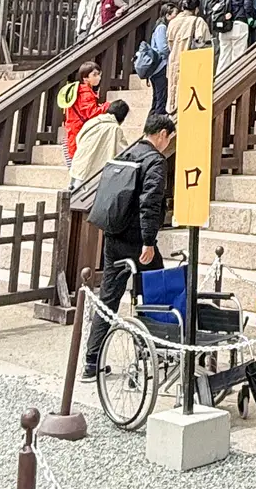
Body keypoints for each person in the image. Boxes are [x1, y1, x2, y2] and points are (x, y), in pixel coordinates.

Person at [82, 113, 176, 382]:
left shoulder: (127, 154)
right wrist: (149, 241)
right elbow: (150, 203)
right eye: (167, 138)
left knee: (109, 296)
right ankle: (152, 347)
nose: (166, 144)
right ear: (162, 134)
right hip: (137, 239)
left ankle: (92, 360)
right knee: (155, 290)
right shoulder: (155, 162)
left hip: (114, 235)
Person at [69, 98, 129, 191]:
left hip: (79, 167)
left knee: (74, 197)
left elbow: (78, 139)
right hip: (93, 175)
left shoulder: (92, 121)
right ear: (122, 118)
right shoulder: (115, 129)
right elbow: (123, 152)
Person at [166, 0, 212, 113]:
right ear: (196, 9)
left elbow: (169, 43)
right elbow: (205, 45)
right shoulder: (198, 21)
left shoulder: (172, 22)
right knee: (189, 98)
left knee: (173, 93)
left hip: (174, 60)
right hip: (192, 63)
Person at [61, 63, 107, 161]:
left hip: (73, 132)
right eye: (94, 75)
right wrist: (106, 106)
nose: (98, 77)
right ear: (85, 78)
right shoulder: (86, 93)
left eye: (99, 74)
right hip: (79, 133)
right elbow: (92, 113)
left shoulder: (78, 91)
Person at [148, 2, 174, 115]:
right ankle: (157, 125)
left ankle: (151, 125)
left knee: (157, 98)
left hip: (156, 68)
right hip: (160, 67)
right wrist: (173, 53)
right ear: (168, 15)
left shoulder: (159, 26)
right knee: (161, 98)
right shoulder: (162, 27)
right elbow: (163, 48)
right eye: (175, 13)